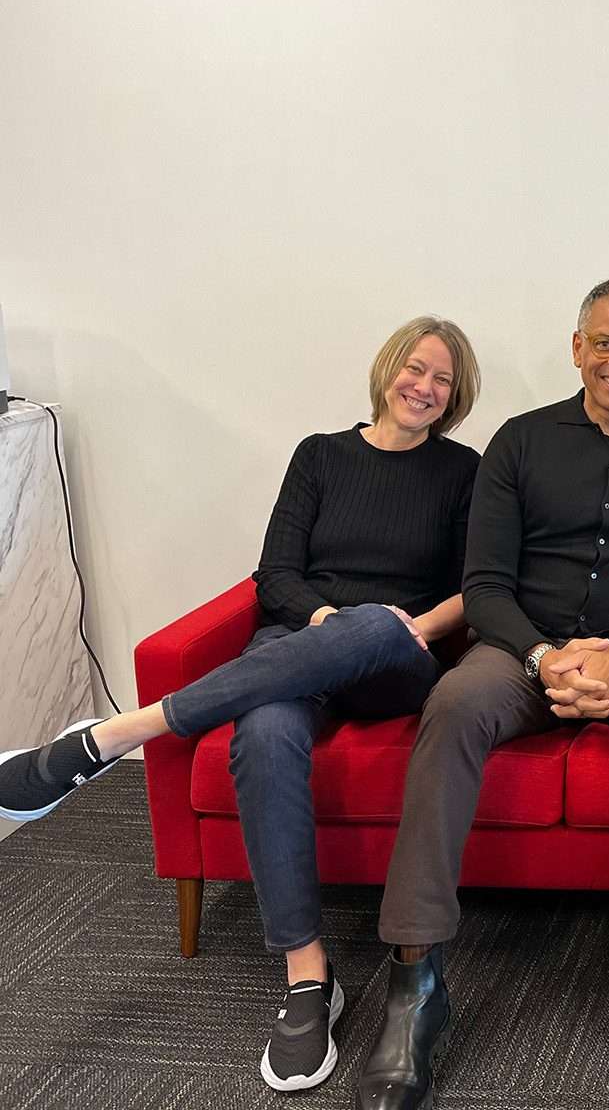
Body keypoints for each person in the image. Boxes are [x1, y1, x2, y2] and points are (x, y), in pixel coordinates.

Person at [0, 317, 482, 1093]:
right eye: (415, 368)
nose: (424, 387)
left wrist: (399, 628)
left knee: (370, 624)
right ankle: (308, 976)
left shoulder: (464, 471)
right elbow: (275, 575)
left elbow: (475, 588)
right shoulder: (320, 455)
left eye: (443, 380)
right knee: (262, 732)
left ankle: (117, 735)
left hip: (397, 658)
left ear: (456, 397)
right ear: (388, 368)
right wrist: (325, 621)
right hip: (301, 643)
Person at [356, 277, 609, 1110]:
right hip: (525, 652)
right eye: (604, 343)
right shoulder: (520, 443)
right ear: (577, 348)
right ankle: (415, 980)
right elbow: (484, 583)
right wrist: (542, 656)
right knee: (455, 701)